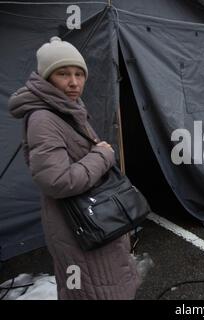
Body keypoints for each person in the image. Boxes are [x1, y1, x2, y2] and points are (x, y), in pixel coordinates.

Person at [9, 36, 140, 300]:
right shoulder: (44, 118)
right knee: (92, 290)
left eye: (79, 74)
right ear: (46, 77)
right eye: (63, 73)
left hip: (90, 216)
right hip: (76, 224)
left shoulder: (67, 108)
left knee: (105, 284)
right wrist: (102, 155)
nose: (74, 82)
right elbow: (56, 181)